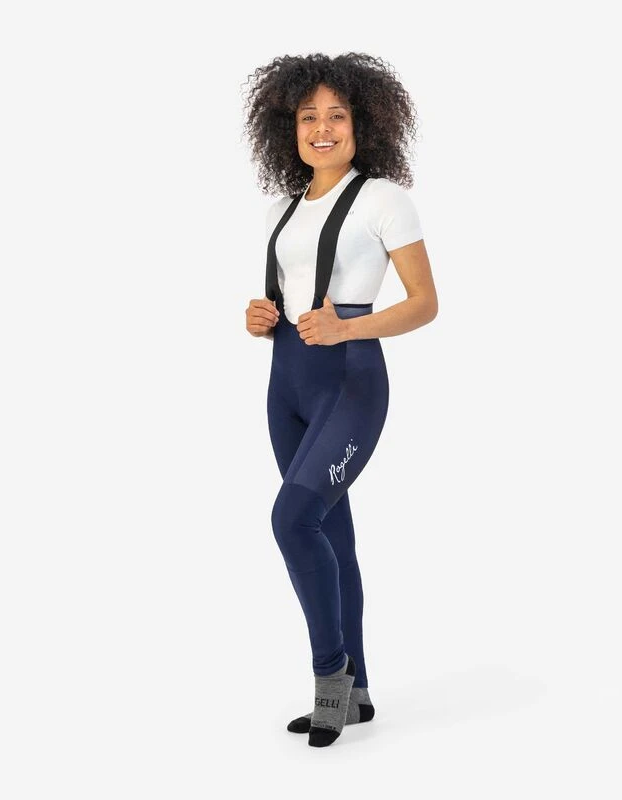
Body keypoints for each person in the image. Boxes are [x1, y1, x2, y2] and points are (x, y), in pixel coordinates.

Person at [242, 52, 437, 747]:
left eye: (337, 115)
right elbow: (289, 295)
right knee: (329, 533)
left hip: (350, 380)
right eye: (308, 117)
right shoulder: (282, 208)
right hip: (286, 383)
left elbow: (425, 303)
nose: (321, 129)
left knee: (292, 520)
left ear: (363, 124)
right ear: (287, 127)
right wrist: (260, 314)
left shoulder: (384, 199)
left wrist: (348, 327)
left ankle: (330, 678)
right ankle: (358, 695)